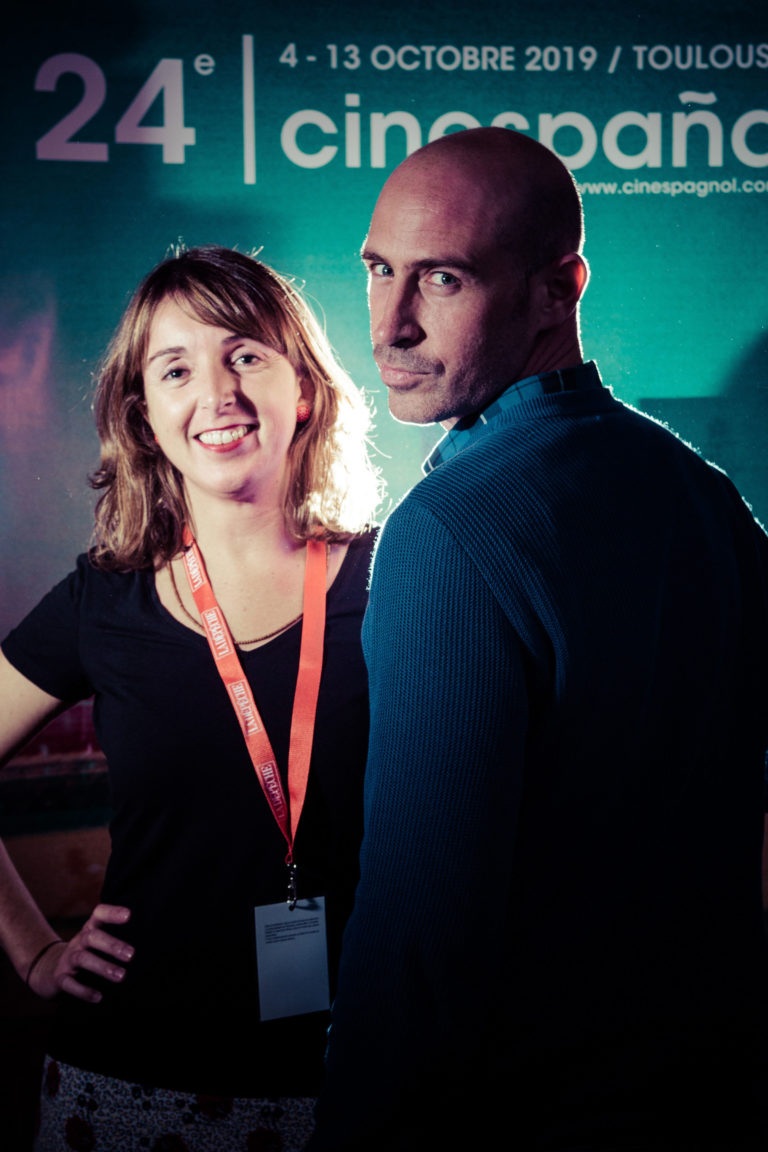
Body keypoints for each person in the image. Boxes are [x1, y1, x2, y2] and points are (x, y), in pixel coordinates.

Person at [308, 127, 768, 1150]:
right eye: (380, 270)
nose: (391, 325)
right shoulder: (705, 494)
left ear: (559, 289)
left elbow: (420, 942)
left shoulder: (449, 531)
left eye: (444, 279)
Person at [0, 244, 381, 1151]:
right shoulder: (102, 601)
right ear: (144, 414)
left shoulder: (397, 577)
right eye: (176, 369)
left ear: (304, 388)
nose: (217, 393)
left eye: (245, 354)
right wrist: (35, 950)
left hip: (358, 1077)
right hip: (127, 1083)